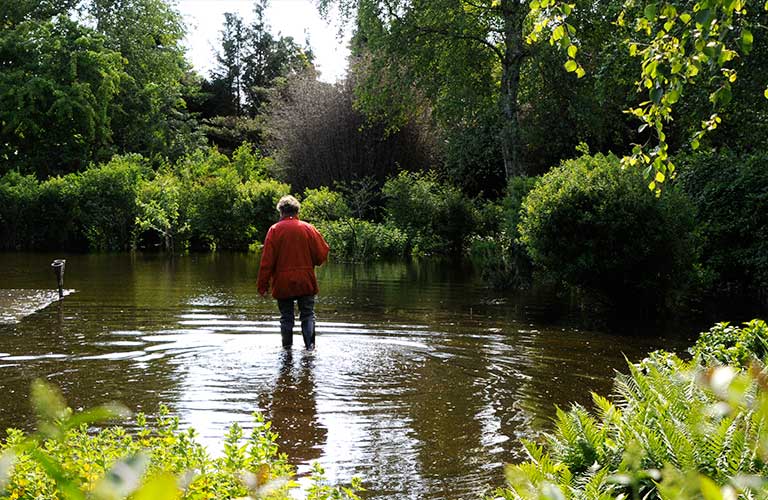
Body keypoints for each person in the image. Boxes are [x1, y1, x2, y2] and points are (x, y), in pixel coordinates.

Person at [257, 195, 330, 349]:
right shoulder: (309, 229)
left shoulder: (275, 230)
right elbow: (322, 253)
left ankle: (287, 351)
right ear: (297, 211)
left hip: (283, 283)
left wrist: (262, 285)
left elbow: (267, 262)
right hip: (305, 280)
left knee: (286, 318)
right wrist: (313, 262)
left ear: (281, 211)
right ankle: (310, 349)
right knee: (308, 315)